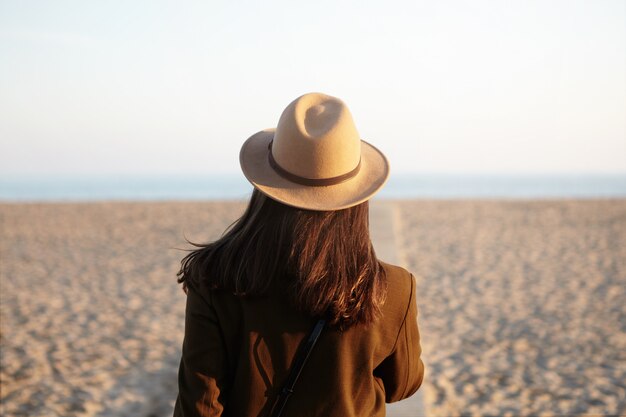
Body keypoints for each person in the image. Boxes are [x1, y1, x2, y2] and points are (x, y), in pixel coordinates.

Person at [173, 92, 424, 417]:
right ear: (356, 200)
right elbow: (402, 385)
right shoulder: (393, 288)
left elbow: (199, 408)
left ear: (266, 190)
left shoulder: (215, 278)